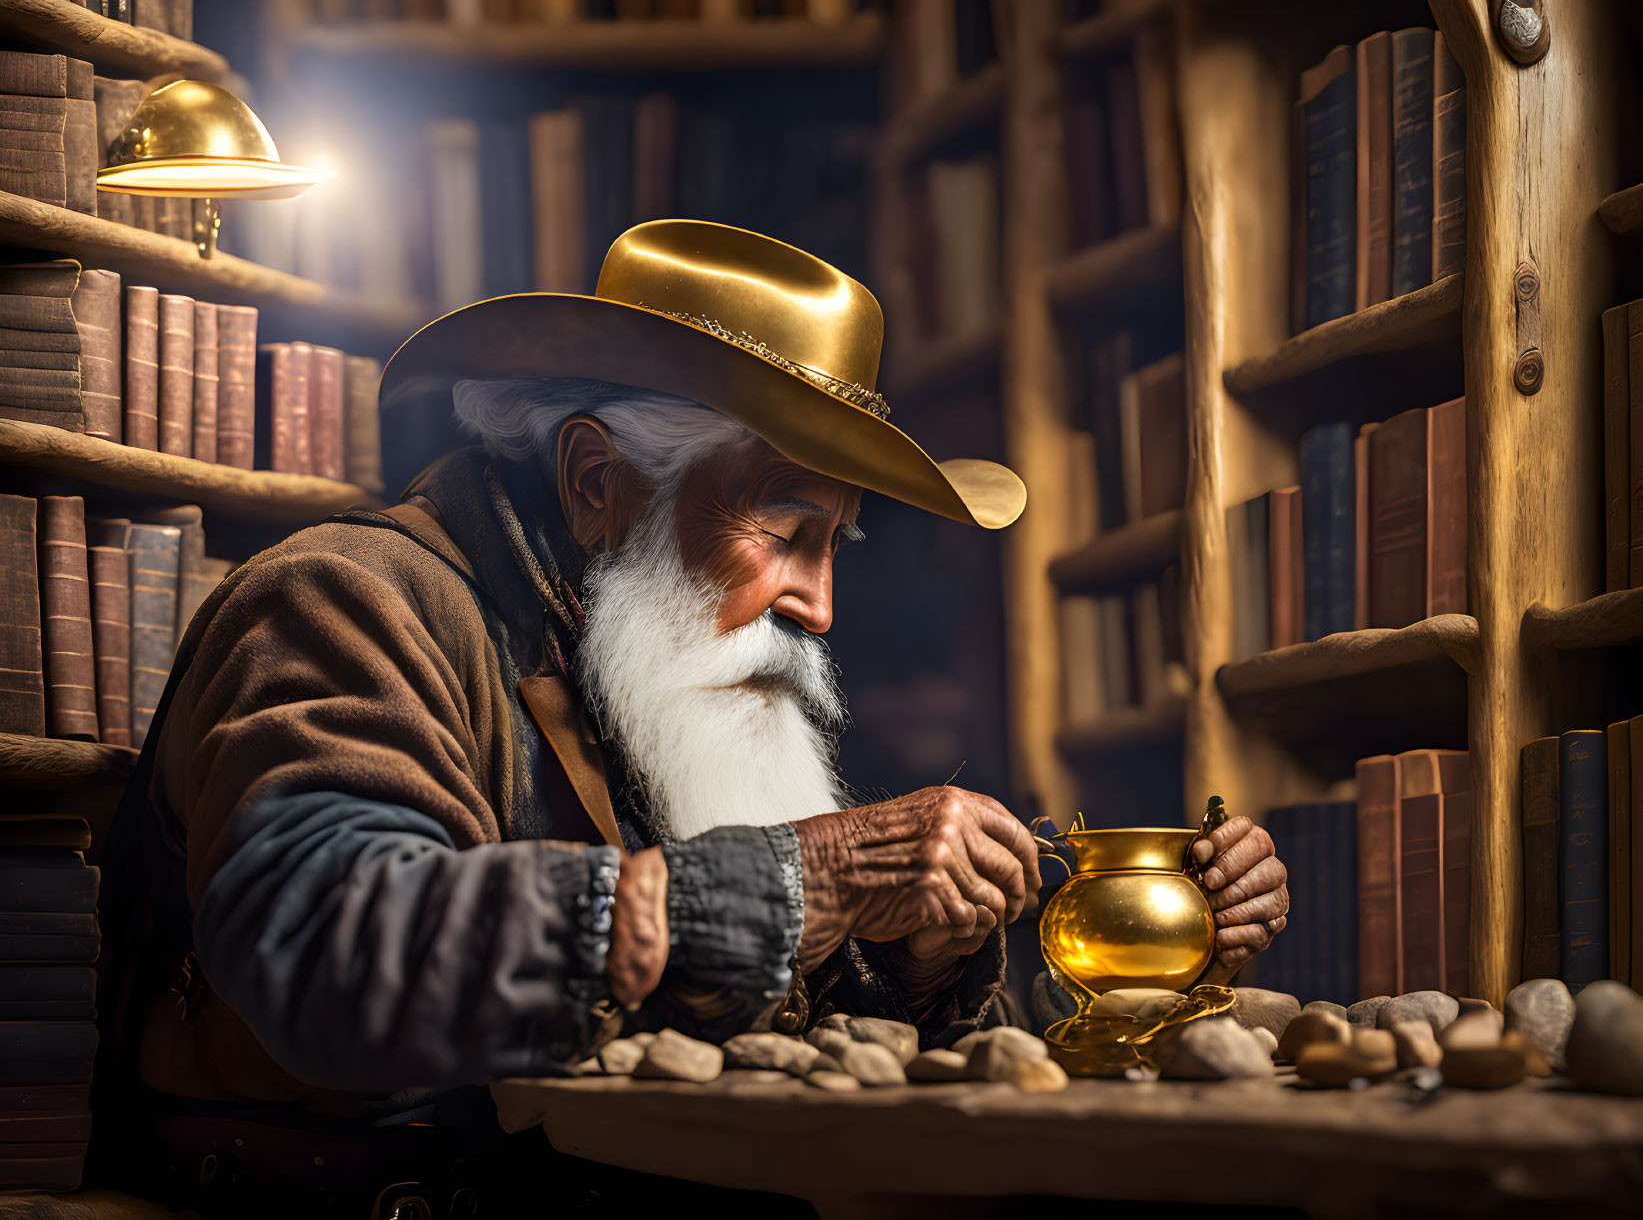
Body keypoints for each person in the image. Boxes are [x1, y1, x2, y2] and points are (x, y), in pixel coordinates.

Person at [100, 220, 1287, 1206]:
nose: (818, 606)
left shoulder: (625, 639)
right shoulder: (346, 599)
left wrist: (932, 954)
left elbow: (723, 999)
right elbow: (325, 946)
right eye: (784, 531)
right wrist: (798, 883)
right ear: (594, 481)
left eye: (834, 546)